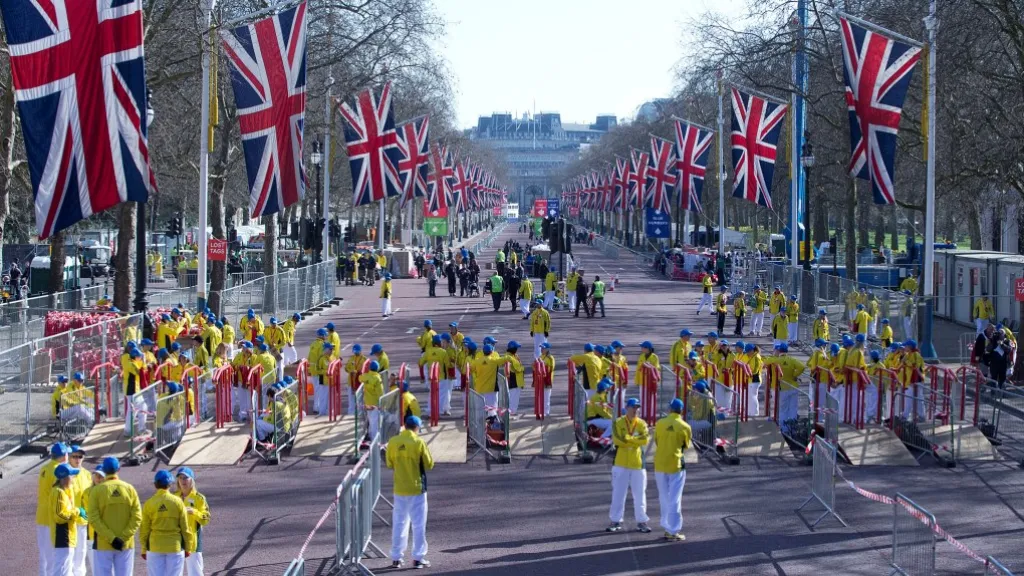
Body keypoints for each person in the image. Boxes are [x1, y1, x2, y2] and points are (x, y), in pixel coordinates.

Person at [387, 415, 434, 569]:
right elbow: (429, 464)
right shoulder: (418, 442)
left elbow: (389, 463)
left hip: (399, 487)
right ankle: (418, 558)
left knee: (399, 523)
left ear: (404, 426)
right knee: (418, 524)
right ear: (417, 428)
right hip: (416, 487)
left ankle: (396, 557)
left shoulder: (393, 442)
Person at [87, 456, 142, 576]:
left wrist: (111, 538)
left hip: (103, 544)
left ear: (104, 471)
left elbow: (93, 518)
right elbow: (137, 517)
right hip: (125, 543)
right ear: (119, 469)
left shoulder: (96, 491)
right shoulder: (129, 489)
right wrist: (122, 537)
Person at [607, 398, 651, 534]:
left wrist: (629, 439)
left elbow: (644, 440)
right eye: (633, 407)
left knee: (640, 495)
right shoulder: (618, 422)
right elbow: (617, 440)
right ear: (626, 408)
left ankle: (642, 522)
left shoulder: (642, 423)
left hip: (637, 464)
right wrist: (633, 441)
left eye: (637, 407)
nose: (635, 410)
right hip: (620, 463)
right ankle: (615, 520)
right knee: (618, 494)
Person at [140, 470, 195, 576]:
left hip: (155, 547)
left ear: (155, 484)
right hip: (175, 546)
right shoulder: (178, 502)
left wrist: (143, 549)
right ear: (170, 484)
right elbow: (185, 527)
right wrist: (188, 547)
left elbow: (144, 529)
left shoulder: (149, 503)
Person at [654, 398, 691, 542]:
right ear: (681, 410)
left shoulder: (660, 423)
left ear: (670, 409)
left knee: (663, 496)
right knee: (675, 498)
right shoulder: (685, 426)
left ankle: (666, 525)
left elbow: (657, 441)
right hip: (675, 464)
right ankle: (673, 529)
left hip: (660, 464)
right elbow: (686, 444)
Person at [38, 442, 70, 576]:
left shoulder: (44, 468)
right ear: (62, 456)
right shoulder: (59, 471)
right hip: (52, 517)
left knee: (44, 557)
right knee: (53, 557)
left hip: (41, 516)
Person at [172, 468, 210, 576]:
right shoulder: (173, 497)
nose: (183, 481)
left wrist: (194, 512)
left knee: (196, 572)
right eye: (180, 478)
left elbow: (206, 519)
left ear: (191, 480)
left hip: (193, 542)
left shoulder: (199, 498)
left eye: (186, 478)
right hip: (175, 540)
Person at [49, 462, 84, 576]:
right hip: (62, 536)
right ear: (65, 478)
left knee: (66, 570)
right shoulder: (59, 492)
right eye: (71, 476)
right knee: (61, 570)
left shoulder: (64, 491)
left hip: (67, 536)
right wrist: (77, 511)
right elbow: (60, 516)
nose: (73, 479)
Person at [504, 341, 525, 416]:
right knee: (513, 398)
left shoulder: (514, 356)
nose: (517, 350)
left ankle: (512, 412)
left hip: (517, 381)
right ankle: (511, 413)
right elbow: (518, 368)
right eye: (516, 348)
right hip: (514, 381)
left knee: (515, 398)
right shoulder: (510, 357)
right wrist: (522, 368)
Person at [538, 343, 555, 416]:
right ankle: (540, 411)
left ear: (547, 349)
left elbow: (550, 369)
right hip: (540, 380)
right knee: (540, 397)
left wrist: (542, 366)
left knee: (546, 397)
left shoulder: (550, 358)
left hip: (547, 380)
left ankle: (546, 412)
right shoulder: (540, 357)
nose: (541, 349)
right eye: (541, 348)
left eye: (543, 348)